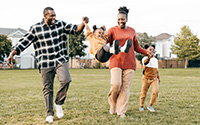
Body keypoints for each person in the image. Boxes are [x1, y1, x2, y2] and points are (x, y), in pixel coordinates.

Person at [7, 7, 89, 123]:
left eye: (55, 15)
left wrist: (83, 23)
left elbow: (75, 29)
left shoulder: (60, 24)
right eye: (52, 16)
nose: (54, 18)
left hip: (60, 59)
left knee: (66, 80)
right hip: (45, 62)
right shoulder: (36, 28)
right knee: (47, 89)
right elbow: (24, 42)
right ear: (45, 16)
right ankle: (49, 113)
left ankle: (58, 103)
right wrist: (12, 53)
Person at [106, 6, 151, 118]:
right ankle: (112, 103)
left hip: (129, 63)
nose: (121, 21)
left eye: (123, 19)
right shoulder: (112, 30)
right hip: (115, 61)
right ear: (117, 19)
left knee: (125, 88)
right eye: (119, 19)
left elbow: (136, 47)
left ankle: (121, 111)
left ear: (127, 19)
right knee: (116, 84)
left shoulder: (132, 31)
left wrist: (146, 52)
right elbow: (106, 44)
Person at [139, 44, 160, 112]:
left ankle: (150, 105)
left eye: (153, 50)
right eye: (150, 50)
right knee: (144, 92)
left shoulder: (155, 60)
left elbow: (156, 70)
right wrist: (149, 57)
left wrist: (158, 78)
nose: (152, 51)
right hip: (146, 78)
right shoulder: (145, 58)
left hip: (154, 79)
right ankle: (141, 105)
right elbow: (145, 63)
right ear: (146, 51)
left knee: (155, 91)